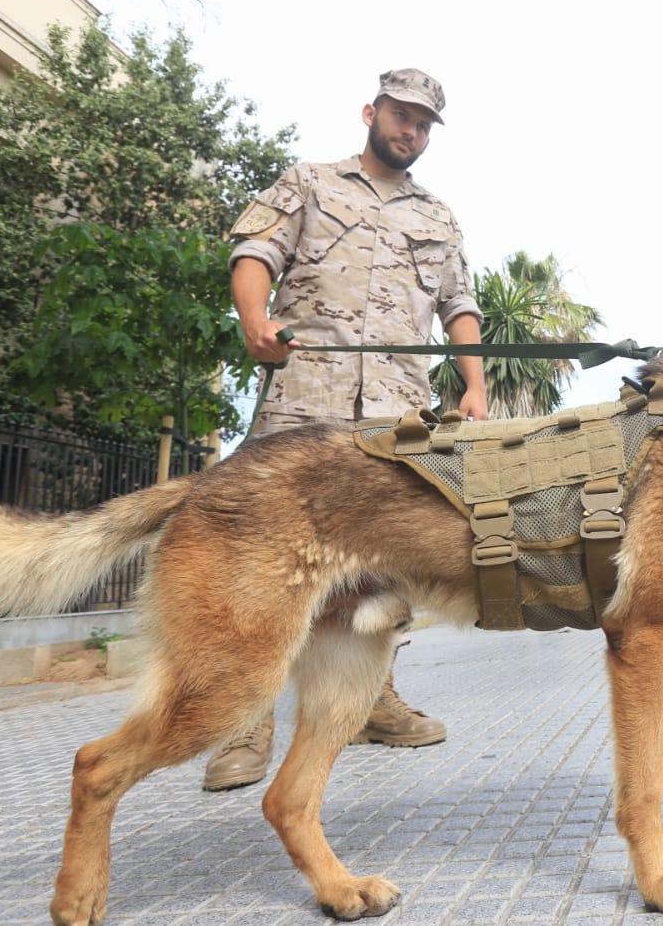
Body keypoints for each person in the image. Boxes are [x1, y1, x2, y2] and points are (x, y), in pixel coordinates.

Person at [204, 68, 488, 792]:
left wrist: (476, 385)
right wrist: (254, 324)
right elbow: (254, 255)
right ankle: (244, 722)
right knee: (264, 564)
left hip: (395, 412)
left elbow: (459, 305)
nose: (410, 130)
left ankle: (369, 701)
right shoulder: (309, 182)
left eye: (423, 123)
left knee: (389, 565)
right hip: (305, 400)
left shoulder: (439, 216)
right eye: (400, 115)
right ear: (371, 111)